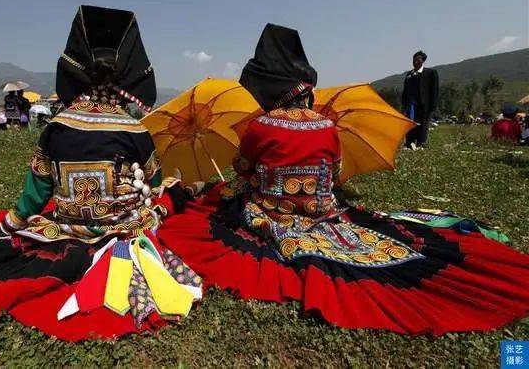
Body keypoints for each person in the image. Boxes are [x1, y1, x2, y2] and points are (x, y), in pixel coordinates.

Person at [157, 24, 529, 336]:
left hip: (273, 212)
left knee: (224, 195)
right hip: (326, 213)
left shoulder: (261, 126)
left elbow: (243, 169)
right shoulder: (326, 126)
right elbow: (334, 174)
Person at [0, 6, 202, 342]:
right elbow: (153, 185)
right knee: (166, 200)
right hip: (121, 232)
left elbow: (35, 194)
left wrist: (2, 229)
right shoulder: (135, 130)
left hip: (66, 227)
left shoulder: (56, 127)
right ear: (126, 79)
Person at [401, 50, 439, 150]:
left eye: (418, 60)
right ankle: (409, 143)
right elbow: (405, 90)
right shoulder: (409, 74)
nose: (415, 62)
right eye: (414, 60)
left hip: (424, 104)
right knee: (410, 123)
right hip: (411, 104)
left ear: (422, 61)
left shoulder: (430, 73)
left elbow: (434, 91)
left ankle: (421, 143)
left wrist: (432, 105)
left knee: (423, 123)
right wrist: (404, 104)